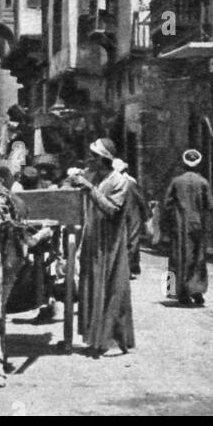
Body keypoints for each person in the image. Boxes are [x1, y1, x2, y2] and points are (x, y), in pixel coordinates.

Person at [68, 138, 134, 357]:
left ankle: (112, 340)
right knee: (92, 287)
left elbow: (112, 210)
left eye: (94, 157)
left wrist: (90, 189)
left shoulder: (119, 181)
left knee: (112, 288)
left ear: (104, 159)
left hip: (110, 244)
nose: (91, 161)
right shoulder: (96, 177)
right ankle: (94, 338)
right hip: (94, 239)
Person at [163, 149, 213, 306]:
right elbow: (210, 205)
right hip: (198, 224)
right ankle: (197, 291)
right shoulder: (203, 182)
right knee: (198, 257)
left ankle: (176, 292)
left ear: (183, 164)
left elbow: (166, 204)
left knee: (177, 257)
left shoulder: (176, 181)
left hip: (179, 225)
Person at [113, 158, 149, 278]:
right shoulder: (130, 181)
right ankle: (128, 269)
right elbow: (140, 198)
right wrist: (146, 214)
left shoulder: (113, 181)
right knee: (132, 241)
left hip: (119, 214)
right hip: (132, 214)